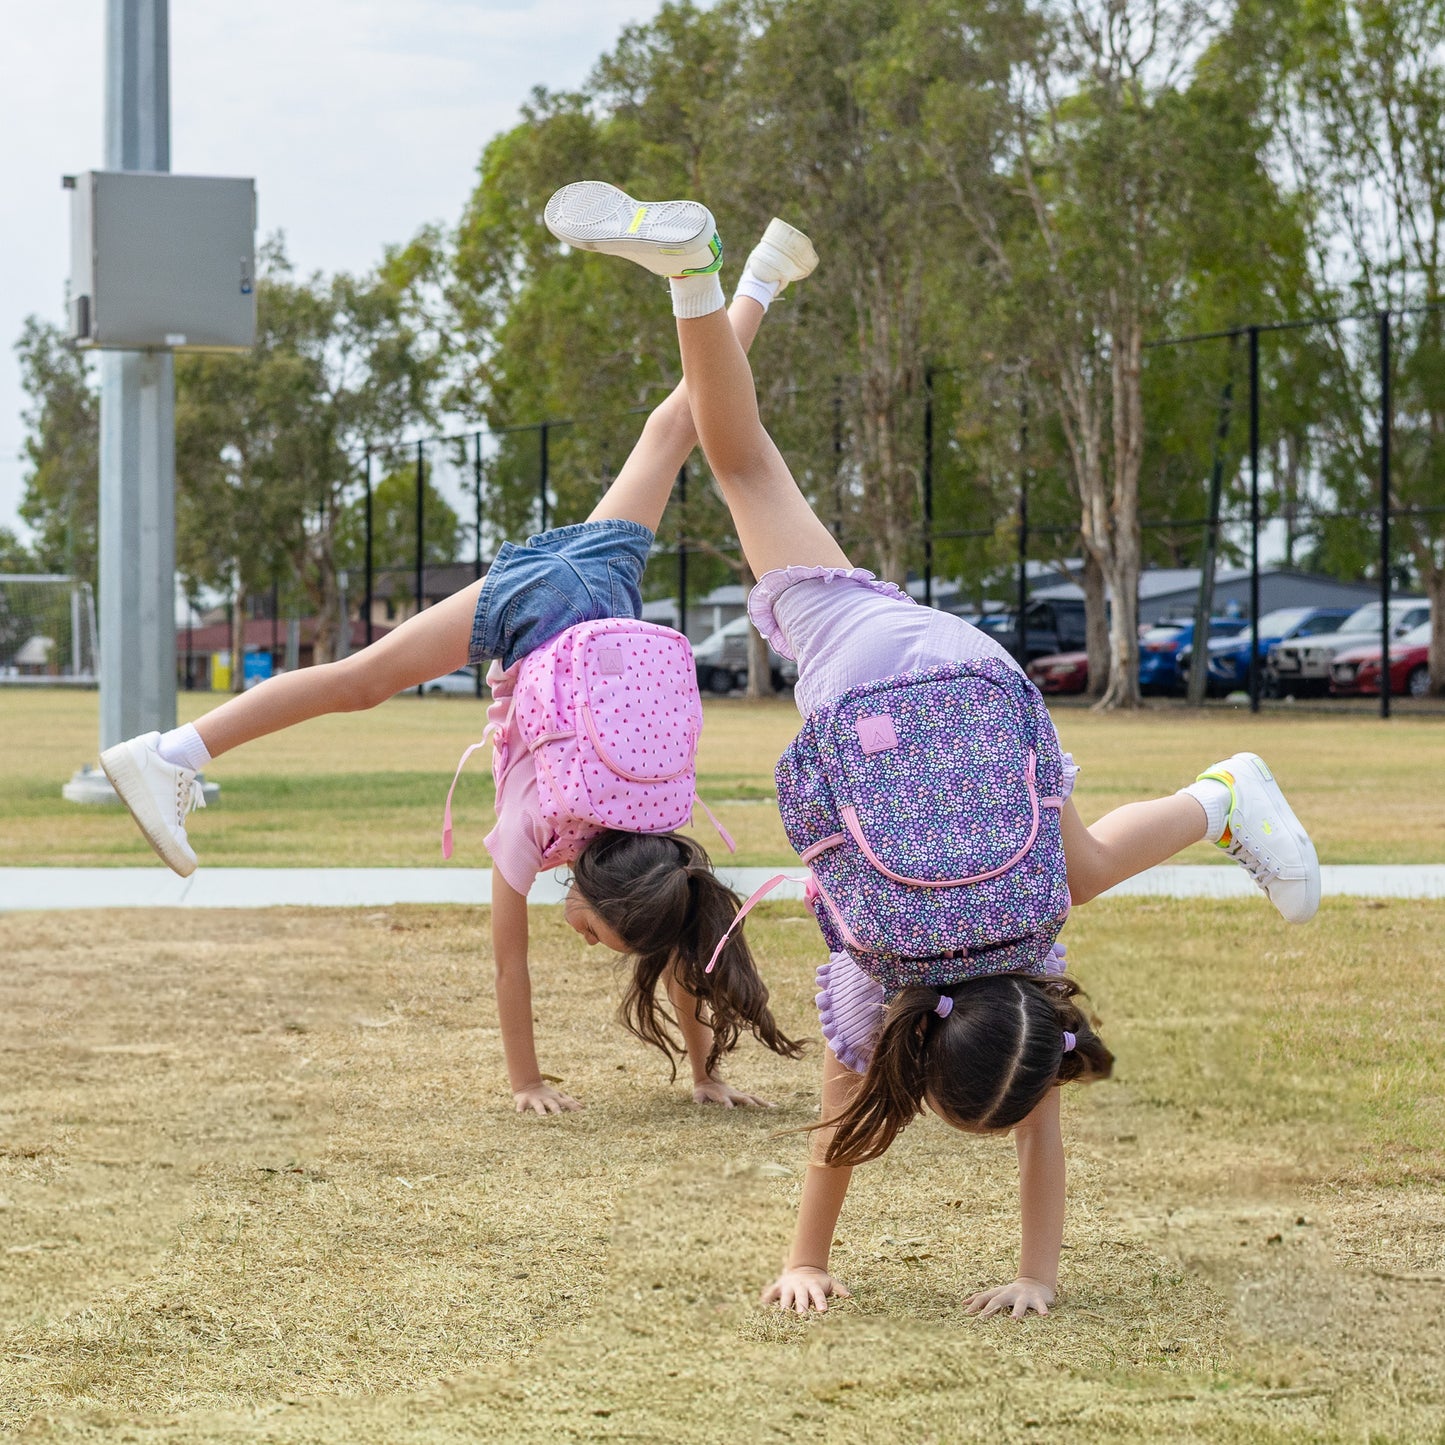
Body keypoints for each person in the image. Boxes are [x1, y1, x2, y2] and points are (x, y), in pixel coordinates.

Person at [544, 179, 1322, 1311]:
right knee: (741, 464)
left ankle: (1219, 797)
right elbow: (837, 1109)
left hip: (975, 678)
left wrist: (1035, 1275)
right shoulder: (882, 976)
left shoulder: (1027, 970)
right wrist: (803, 1261)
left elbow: (1030, 1121)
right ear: (917, 1058)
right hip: (863, 684)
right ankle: (700, 272)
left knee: (1081, 867)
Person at [100, 214, 820, 1115]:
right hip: (545, 608)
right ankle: (170, 754)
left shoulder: (660, 836)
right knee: (357, 681)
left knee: (677, 428)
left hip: (600, 595)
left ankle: (749, 274)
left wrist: (706, 1071)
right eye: (598, 934)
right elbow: (510, 963)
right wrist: (527, 1082)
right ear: (600, 894)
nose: (587, 941)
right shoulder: (540, 827)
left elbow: (679, 948)